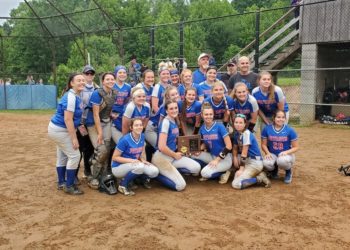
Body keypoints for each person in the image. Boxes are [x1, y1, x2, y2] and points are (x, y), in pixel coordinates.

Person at [47, 73, 85, 195]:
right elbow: (68, 119)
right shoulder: (71, 97)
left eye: (83, 80)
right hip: (60, 130)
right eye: (78, 80)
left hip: (58, 129)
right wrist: (74, 138)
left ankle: (61, 182)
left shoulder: (76, 96)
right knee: (75, 156)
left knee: (63, 156)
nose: (81, 82)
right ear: (71, 83)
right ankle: (69, 185)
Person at [151, 100, 201, 191]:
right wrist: (174, 155)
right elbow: (161, 147)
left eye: (175, 108)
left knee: (196, 168)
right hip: (162, 158)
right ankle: (156, 176)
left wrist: (186, 151)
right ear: (166, 111)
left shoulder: (174, 121)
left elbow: (176, 141)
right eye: (171, 109)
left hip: (173, 156)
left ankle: (172, 172)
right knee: (180, 186)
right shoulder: (166, 122)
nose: (174, 110)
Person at [85, 72, 118, 191]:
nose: (110, 81)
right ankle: (93, 175)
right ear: (103, 81)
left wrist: (112, 115)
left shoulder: (114, 92)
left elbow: (108, 108)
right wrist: (99, 133)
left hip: (106, 121)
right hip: (94, 124)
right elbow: (95, 115)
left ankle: (103, 174)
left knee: (107, 149)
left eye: (112, 79)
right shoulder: (97, 93)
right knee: (101, 149)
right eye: (107, 79)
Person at [111, 118, 159, 196]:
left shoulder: (142, 136)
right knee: (139, 166)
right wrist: (131, 161)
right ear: (131, 128)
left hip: (134, 164)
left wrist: (143, 160)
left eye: (140, 125)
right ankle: (123, 185)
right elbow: (115, 157)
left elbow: (139, 152)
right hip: (118, 167)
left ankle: (139, 179)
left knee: (154, 171)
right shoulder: (125, 140)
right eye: (136, 125)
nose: (139, 127)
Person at [191, 103, 232, 183]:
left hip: (224, 159)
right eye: (206, 114)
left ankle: (225, 172)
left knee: (204, 173)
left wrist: (217, 160)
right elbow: (205, 143)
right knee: (192, 155)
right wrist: (199, 149)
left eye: (210, 114)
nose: (208, 116)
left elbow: (229, 146)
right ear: (202, 115)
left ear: (213, 115)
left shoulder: (220, 126)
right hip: (211, 155)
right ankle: (211, 168)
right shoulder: (203, 128)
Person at [231, 114, 271, 189]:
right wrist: (235, 157)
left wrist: (241, 168)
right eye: (236, 122)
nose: (238, 125)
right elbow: (235, 148)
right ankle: (256, 175)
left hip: (255, 162)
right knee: (236, 177)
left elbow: (244, 152)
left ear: (245, 124)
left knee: (236, 184)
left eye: (240, 123)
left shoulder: (246, 133)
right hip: (247, 161)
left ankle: (259, 178)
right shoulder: (237, 133)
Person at [261, 110, 299, 184]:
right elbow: (263, 145)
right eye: (278, 117)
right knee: (266, 163)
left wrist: (286, 152)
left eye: (283, 117)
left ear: (285, 119)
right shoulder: (267, 128)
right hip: (272, 153)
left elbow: (296, 147)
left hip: (286, 155)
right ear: (274, 118)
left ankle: (288, 172)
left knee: (282, 161)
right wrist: (267, 153)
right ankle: (274, 170)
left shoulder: (290, 130)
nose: (280, 119)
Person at [76, 65, 98, 180]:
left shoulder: (97, 88)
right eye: (87, 73)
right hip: (81, 123)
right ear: (83, 75)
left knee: (90, 147)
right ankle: (74, 174)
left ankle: (87, 170)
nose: (89, 75)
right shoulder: (79, 89)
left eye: (91, 74)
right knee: (80, 147)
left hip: (93, 123)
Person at [111, 65, 132, 144]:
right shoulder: (111, 85)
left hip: (123, 116)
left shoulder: (128, 86)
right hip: (112, 117)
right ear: (115, 74)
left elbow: (128, 101)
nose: (122, 74)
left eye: (124, 72)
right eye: (120, 72)